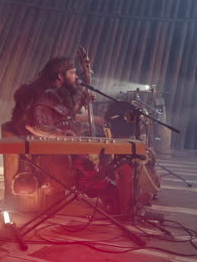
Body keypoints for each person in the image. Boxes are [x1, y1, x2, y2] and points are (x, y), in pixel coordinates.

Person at [10, 56, 133, 214]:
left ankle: (108, 191)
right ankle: (107, 191)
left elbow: (63, 115)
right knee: (83, 163)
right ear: (61, 76)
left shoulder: (54, 91)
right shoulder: (41, 93)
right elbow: (36, 126)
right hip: (44, 147)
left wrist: (81, 105)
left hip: (58, 142)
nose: (76, 77)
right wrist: (64, 135)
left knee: (86, 160)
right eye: (73, 73)